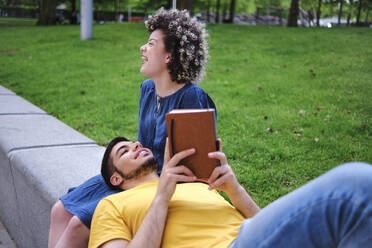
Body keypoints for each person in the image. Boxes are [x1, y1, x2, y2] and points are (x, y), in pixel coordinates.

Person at [48, 9, 215, 248]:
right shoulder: (147, 89)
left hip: (159, 185)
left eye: (151, 44)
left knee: (77, 225)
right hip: (133, 173)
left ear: (168, 56)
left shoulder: (191, 98)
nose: (142, 48)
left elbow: (200, 169)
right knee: (59, 210)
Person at [89, 137, 372, 248]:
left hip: (250, 238)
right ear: (116, 178)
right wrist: (162, 195)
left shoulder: (196, 184)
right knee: (356, 186)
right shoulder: (111, 206)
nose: (136, 145)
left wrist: (233, 189)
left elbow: (266, 225)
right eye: (124, 151)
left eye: (135, 142)